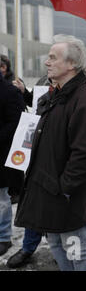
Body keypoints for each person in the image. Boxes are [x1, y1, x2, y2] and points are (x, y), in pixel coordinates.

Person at [14, 34, 86, 271]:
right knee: (54, 240)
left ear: (71, 64)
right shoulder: (56, 94)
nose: (47, 62)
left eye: (53, 57)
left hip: (64, 195)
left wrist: (65, 188)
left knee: (76, 248)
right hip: (47, 188)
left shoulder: (83, 99)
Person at [6, 77, 58, 269]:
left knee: (57, 209)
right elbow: (36, 105)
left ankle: (58, 250)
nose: (48, 62)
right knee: (34, 203)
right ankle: (28, 248)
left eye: (54, 58)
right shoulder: (45, 80)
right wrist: (25, 92)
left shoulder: (82, 87)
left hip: (58, 162)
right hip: (37, 155)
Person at [0, 69, 25, 256]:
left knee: (1, 200)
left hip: (1, 154)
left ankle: (3, 237)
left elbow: (15, 122)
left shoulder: (9, 91)